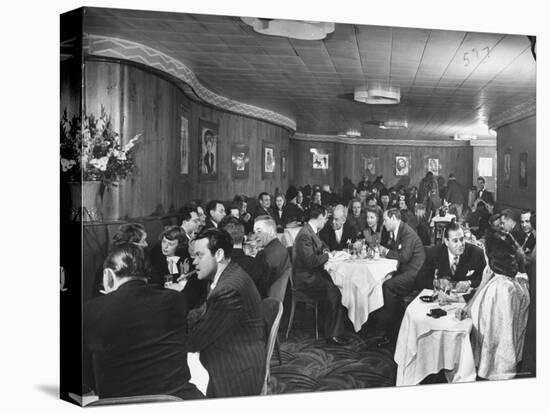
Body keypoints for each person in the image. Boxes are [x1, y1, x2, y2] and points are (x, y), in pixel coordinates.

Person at [83, 244, 204, 399]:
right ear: (147, 274)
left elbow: (86, 374)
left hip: (117, 403)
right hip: (174, 398)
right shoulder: (176, 300)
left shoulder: (91, 310)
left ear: (107, 275)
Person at [187, 229, 265, 398]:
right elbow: (202, 311)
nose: (194, 262)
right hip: (234, 351)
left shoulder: (228, 289)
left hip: (236, 369)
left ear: (219, 254)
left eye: (199, 255)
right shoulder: (227, 273)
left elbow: (194, 341)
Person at [456, 237, 530, 380]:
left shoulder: (500, 289)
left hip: (496, 367)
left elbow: (475, 315)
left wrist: (483, 283)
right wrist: (484, 281)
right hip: (506, 359)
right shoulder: (516, 280)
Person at [293, 205, 348, 345]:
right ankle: (333, 334)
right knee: (335, 291)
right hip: (305, 279)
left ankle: (331, 327)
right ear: (319, 217)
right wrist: (327, 255)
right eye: (325, 219)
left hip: (311, 275)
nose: (325, 222)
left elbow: (319, 247)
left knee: (334, 284)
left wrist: (325, 251)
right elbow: (311, 261)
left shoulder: (311, 231)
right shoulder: (305, 235)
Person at [376, 208, 426, 345]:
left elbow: (404, 257)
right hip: (405, 269)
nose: (384, 223)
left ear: (393, 218)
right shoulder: (396, 231)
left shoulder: (407, 232)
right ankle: (393, 327)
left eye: (385, 220)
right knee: (382, 281)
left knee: (388, 286)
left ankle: (391, 333)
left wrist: (386, 251)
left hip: (416, 273)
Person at [416, 222, 486, 291]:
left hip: (467, 298)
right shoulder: (433, 253)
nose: (460, 244)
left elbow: (486, 280)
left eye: (462, 239)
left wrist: (469, 283)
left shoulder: (476, 253)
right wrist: (437, 282)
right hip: (439, 298)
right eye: (455, 241)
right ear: (446, 241)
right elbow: (420, 281)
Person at [249, 215, 291, 298]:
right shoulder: (282, 248)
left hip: (265, 302)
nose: (255, 236)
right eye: (254, 232)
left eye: (259, 231)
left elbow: (253, 286)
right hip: (280, 300)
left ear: (271, 231)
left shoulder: (264, 254)